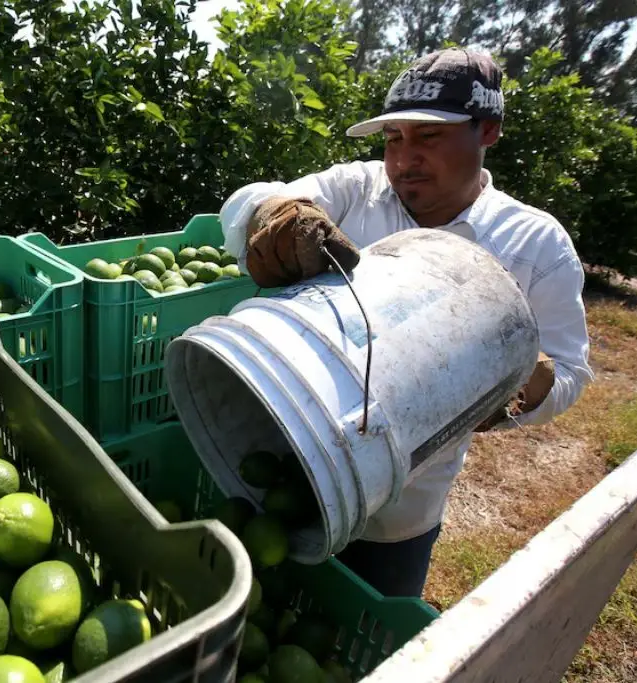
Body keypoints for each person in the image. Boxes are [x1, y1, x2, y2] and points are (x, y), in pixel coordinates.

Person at [218, 47, 594, 598]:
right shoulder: (358, 190)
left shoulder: (534, 245)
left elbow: (570, 372)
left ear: (487, 131)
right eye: (394, 138)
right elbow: (252, 201)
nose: (403, 160)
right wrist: (273, 217)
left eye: (429, 137)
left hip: (401, 507)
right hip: (287, 456)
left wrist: (519, 381)